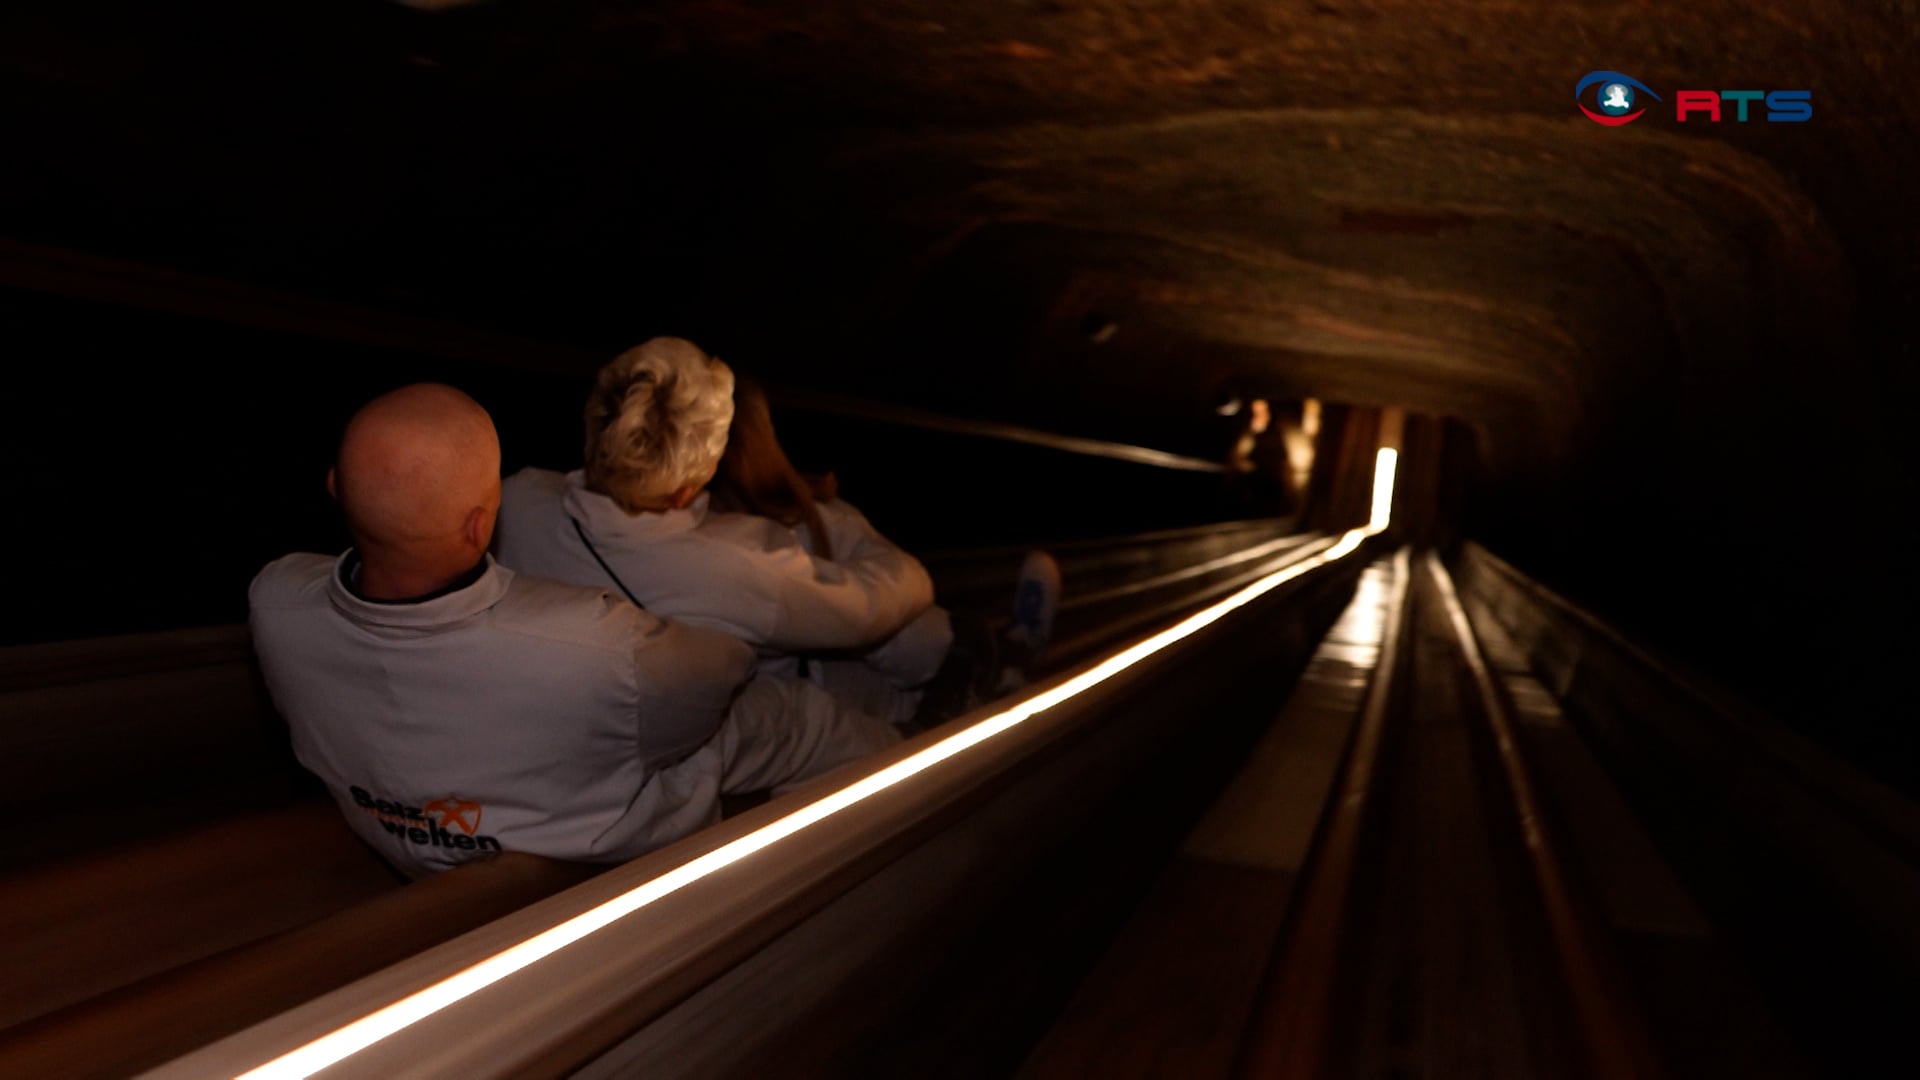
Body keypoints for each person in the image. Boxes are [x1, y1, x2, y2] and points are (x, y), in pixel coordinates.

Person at [249, 383, 897, 878]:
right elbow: (721, 673)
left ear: (335, 487)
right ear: (480, 527)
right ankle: (908, 770)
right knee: (785, 715)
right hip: (595, 859)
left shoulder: (274, 603)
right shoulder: (599, 646)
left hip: (403, 844)